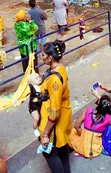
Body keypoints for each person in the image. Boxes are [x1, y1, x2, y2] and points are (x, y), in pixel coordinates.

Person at [38, 40, 72, 172]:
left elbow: (54, 112)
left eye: (43, 55)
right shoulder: (59, 67)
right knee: (62, 147)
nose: (41, 57)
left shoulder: (54, 80)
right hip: (65, 114)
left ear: (50, 58)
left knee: (49, 152)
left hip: (56, 122)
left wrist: (45, 134)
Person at [69, 94, 111, 159]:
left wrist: (83, 135)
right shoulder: (109, 118)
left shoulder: (88, 111)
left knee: (73, 132)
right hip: (95, 150)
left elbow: (77, 126)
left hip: (82, 147)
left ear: (98, 102)